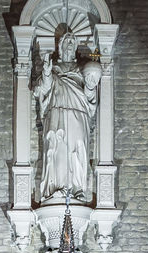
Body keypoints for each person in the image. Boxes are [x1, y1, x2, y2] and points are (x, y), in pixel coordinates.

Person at [32, 30, 99, 203]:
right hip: (57, 112)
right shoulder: (53, 68)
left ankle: (77, 189)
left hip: (78, 113)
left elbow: (90, 98)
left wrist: (90, 86)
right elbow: (42, 89)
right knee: (58, 149)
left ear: (75, 47)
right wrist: (47, 73)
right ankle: (57, 188)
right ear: (60, 47)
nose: (69, 44)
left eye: (72, 42)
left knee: (78, 148)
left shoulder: (81, 70)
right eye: (66, 41)